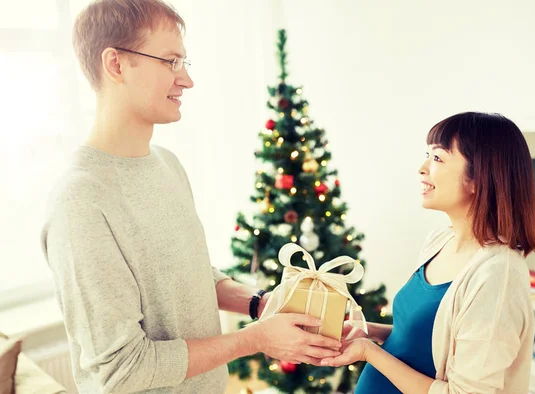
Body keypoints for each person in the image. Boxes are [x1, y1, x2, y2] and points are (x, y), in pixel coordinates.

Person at [40, 1, 341, 393]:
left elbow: (185, 277)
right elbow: (120, 371)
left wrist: (259, 304)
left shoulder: (167, 164)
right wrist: (257, 338)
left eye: (184, 62)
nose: (186, 80)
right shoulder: (80, 201)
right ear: (116, 64)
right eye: (170, 61)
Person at [321, 112, 535, 394]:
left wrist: (368, 353)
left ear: (478, 179)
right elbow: (429, 346)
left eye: (437, 158)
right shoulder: (439, 241)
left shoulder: (498, 276)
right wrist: (372, 332)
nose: (422, 168)